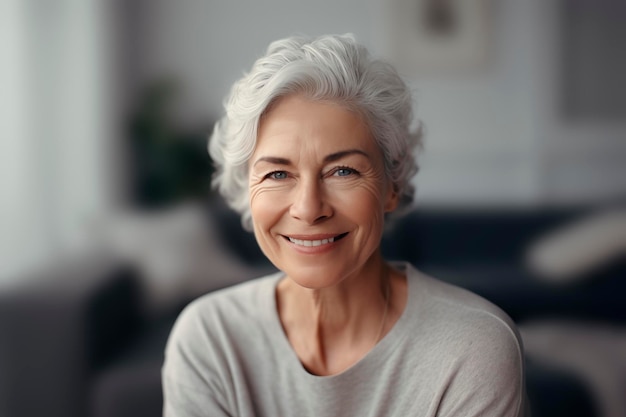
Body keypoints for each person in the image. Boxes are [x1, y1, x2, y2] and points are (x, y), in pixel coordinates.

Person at [162, 33, 528, 417]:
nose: (308, 208)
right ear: (246, 189)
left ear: (393, 184)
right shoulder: (209, 338)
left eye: (342, 170)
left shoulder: (472, 347)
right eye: (277, 174)